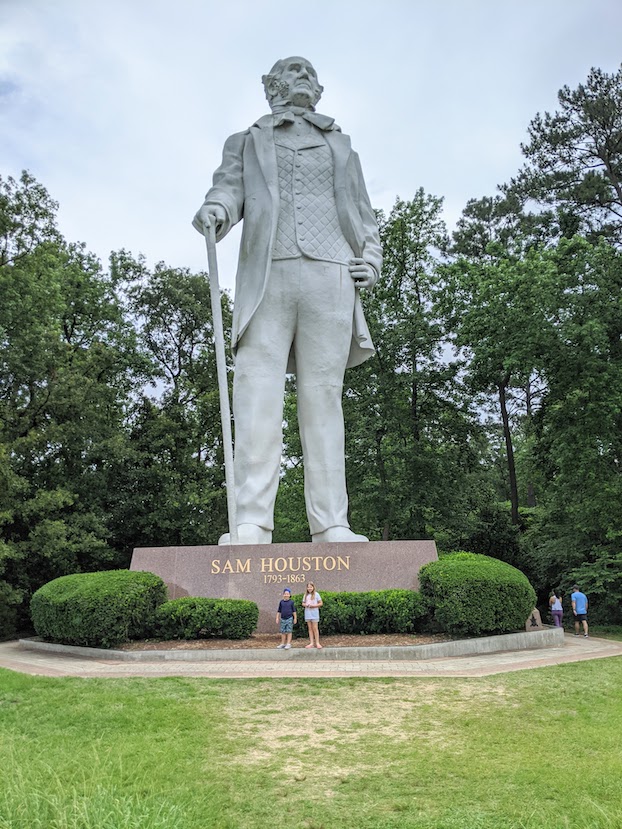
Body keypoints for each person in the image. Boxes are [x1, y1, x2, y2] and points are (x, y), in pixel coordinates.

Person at [193, 56, 382, 546]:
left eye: (308, 71)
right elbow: (228, 189)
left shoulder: (342, 147)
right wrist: (217, 208)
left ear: (318, 88)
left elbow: (363, 214)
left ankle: (332, 523)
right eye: (292, 70)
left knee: (324, 399)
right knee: (256, 394)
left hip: (332, 275)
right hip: (267, 277)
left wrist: (372, 259)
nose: (302, 76)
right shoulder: (247, 140)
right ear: (272, 85)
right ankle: (251, 521)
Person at [302, 581, 323, 649]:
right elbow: (303, 603)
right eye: (308, 587)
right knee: (310, 628)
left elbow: (320, 603)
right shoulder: (305, 595)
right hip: (308, 613)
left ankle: (317, 642)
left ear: (313, 587)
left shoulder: (317, 594)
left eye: (311, 587)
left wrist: (314, 606)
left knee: (315, 628)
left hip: (314, 613)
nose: (309, 588)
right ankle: (311, 643)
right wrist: (306, 605)